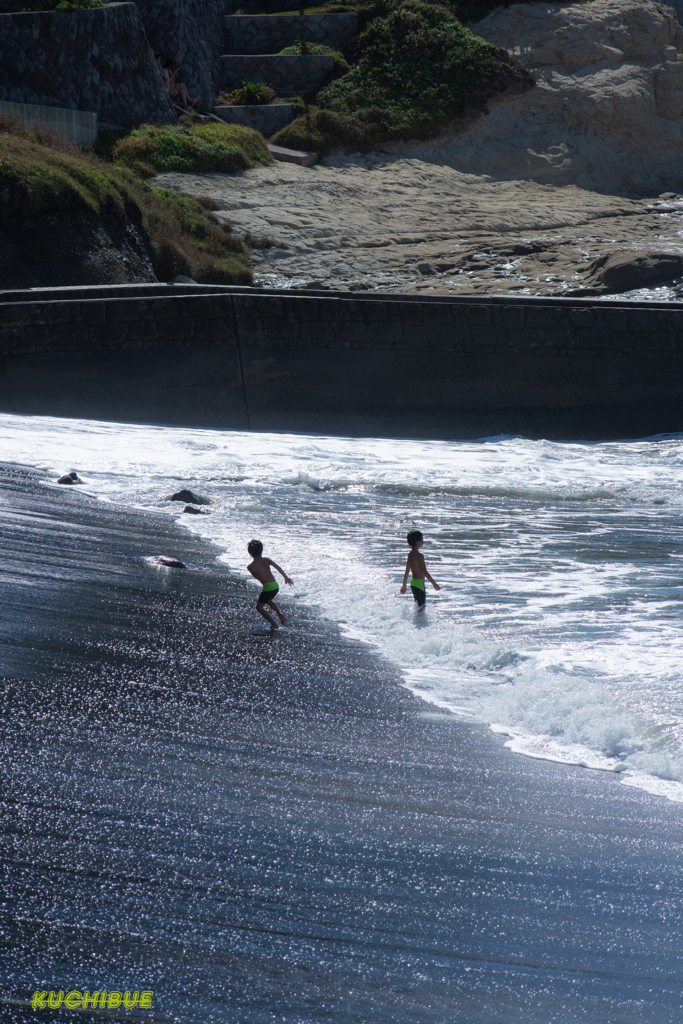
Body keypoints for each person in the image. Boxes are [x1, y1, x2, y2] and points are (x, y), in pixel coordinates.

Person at [247, 539, 293, 631]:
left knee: (259, 607)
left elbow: (258, 578)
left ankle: (274, 624)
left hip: (267, 588)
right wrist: (286, 578)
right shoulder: (266, 560)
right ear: (261, 550)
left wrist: (265, 584)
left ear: (249, 552)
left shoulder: (250, 567)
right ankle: (280, 614)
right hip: (275, 586)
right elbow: (278, 567)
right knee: (268, 601)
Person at [400, 529, 440, 613]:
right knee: (422, 607)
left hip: (413, 583)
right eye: (422, 539)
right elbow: (424, 571)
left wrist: (404, 585)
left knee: (419, 606)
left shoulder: (410, 554)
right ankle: (418, 624)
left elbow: (407, 571)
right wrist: (434, 584)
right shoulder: (419, 556)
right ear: (417, 542)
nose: (423, 541)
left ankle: (416, 622)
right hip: (419, 584)